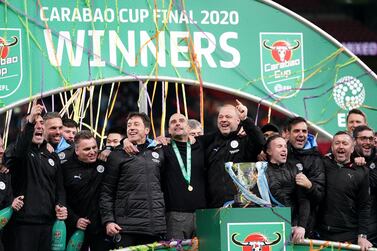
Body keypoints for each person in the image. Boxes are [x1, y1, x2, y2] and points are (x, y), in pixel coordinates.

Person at [4, 101, 67, 250]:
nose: (38, 126)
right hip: (23, 224)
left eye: (41, 123)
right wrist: (30, 122)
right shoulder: (18, 152)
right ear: (25, 129)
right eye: (34, 123)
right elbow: (20, 150)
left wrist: (61, 205)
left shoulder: (52, 156)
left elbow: (60, 188)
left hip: (48, 223)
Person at [100, 112, 166, 248]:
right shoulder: (117, 155)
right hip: (125, 227)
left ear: (147, 130)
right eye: (129, 125)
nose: (131, 128)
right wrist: (108, 221)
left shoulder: (159, 152)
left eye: (136, 124)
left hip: (153, 226)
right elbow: (106, 191)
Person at [200, 100, 265, 208]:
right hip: (215, 207)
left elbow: (260, 142)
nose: (223, 120)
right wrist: (167, 139)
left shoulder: (246, 140)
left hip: (243, 206)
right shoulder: (209, 141)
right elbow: (189, 141)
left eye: (228, 116)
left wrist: (246, 120)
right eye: (220, 117)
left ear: (238, 120)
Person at [317, 131, 372, 250]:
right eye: (337, 143)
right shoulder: (323, 163)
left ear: (352, 149)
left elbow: (364, 206)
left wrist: (362, 236)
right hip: (320, 234)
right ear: (332, 147)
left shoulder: (362, 171)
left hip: (348, 235)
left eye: (345, 143)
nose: (341, 146)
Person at [62, 130, 112, 250]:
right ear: (77, 150)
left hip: (101, 228)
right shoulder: (65, 168)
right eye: (87, 149)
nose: (92, 152)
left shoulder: (104, 160)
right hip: (74, 227)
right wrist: (75, 220)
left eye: (94, 147)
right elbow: (60, 197)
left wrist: (110, 149)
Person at [162, 113, 206, 239]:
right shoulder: (163, 148)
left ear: (188, 128)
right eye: (173, 122)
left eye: (181, 120)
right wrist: (125, 140)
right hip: (175, 215)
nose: (177, 123)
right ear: (169, 130)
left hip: (202, 214)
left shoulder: (201, 146)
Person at [262, 135, 310, 243]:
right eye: (279, 146)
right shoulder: (260, 171)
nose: (284, 149)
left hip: (293, 229)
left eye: (285, 146)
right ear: (269, 151)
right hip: (268, 228)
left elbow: (304, 200)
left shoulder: (294, 170)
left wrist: (301, 226)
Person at [286, 117, 325, 238]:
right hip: (279, 220)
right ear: (287, 133)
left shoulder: (316, 158)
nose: (301, 134)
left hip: (305, 227)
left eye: (304, 131)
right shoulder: (279, 152)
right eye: (296, 131)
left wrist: (310, 185)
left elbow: (320, 196)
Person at [352, 125, 377, 244]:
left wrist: (363, 168)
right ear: (354, 140)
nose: (368, 142)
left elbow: (370, 186)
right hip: (345, 227)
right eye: (363, 139)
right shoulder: (344, 158)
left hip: (371, 230)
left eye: (370, 139)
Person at [0, 136, 24, 251]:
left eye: (1, 146)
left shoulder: (4, 174)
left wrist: (12, 203)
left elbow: (7, 203)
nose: (1, 151)